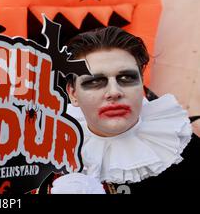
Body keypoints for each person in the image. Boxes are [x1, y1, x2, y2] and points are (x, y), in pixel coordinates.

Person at [61, 26, 199, 194]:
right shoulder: (47, 152)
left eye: (126, 78)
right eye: (95, 81)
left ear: (141, 82)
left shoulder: (179, 148)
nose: (114, 92)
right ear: (73, 93)